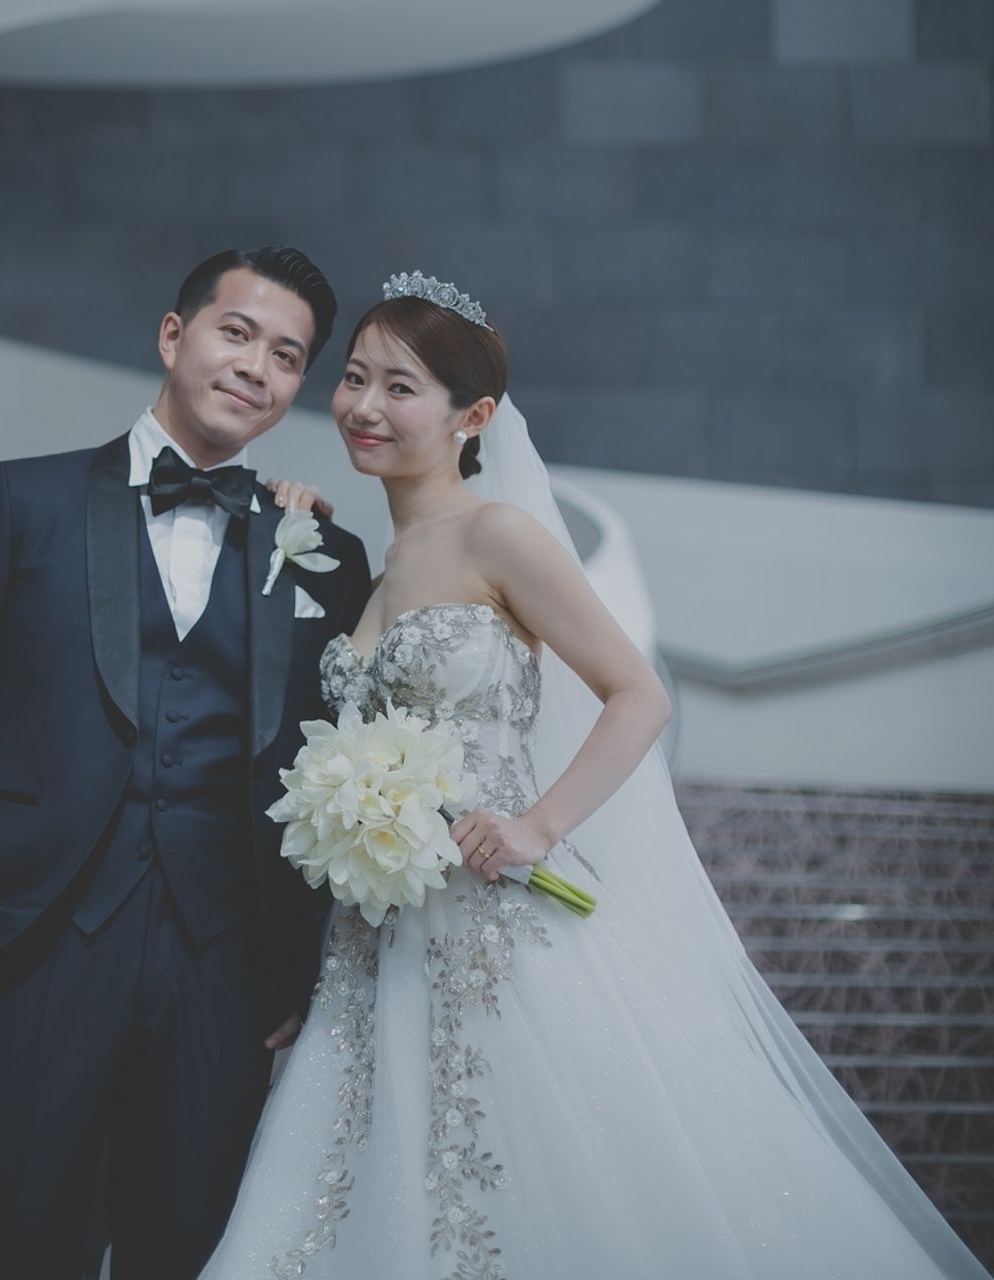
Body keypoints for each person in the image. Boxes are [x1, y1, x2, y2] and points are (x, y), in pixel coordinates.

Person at [196, 273, 991, 1279]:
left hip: (491, 927)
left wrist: (535, 825)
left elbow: (638, 693)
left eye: (400, 387)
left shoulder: (497, 534)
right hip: (376, 943)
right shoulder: (381, 566)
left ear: (473, 416)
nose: (362, 405)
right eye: (353, 378)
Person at [0, 245, 371, 1280]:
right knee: (9, 1236)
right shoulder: (22, 501)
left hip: (224, 967)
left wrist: (295, 961)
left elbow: (330, 769)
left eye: (287, 356)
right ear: (173, 336)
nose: (256, 366)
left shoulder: (323, 556)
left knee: (185, 1245)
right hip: (38, 936)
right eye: (237, 333)